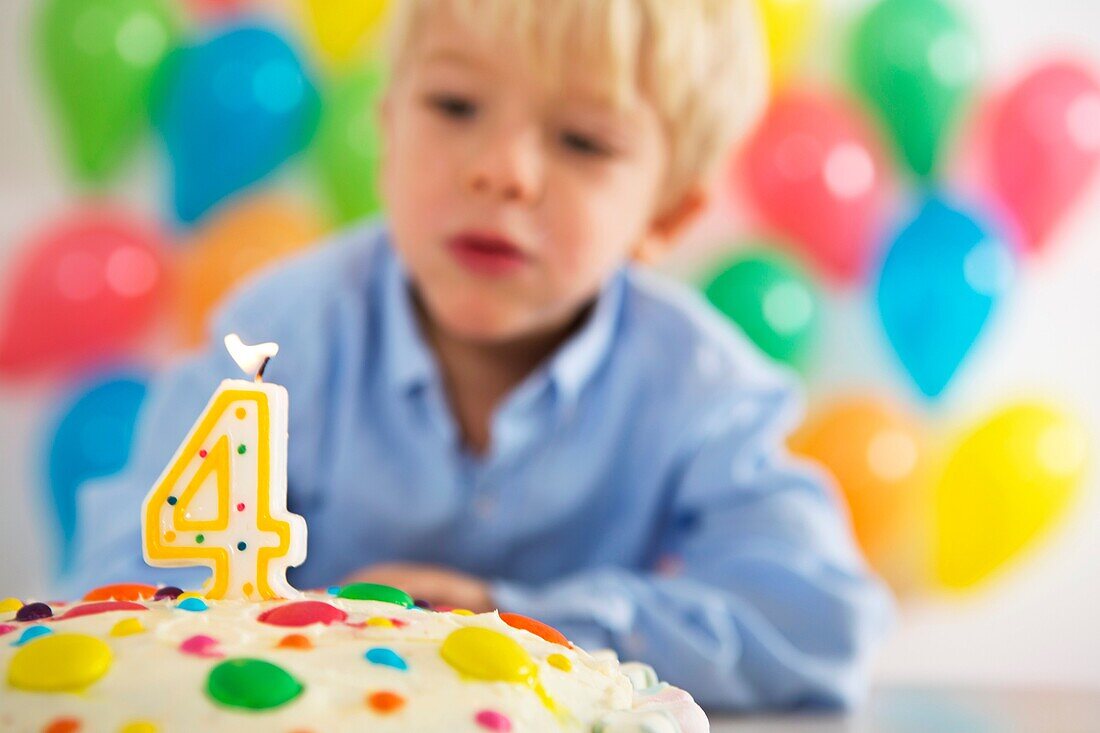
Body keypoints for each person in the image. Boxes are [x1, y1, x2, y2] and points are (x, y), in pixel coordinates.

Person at [63, 0, 892, 710]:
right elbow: (117, 579)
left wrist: (523, 620)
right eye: (456, 105)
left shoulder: (700, 382)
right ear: (388, 129)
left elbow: (820, 621)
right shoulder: (279, 331)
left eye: (582, 140)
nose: (502, 171)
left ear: (667, 215)